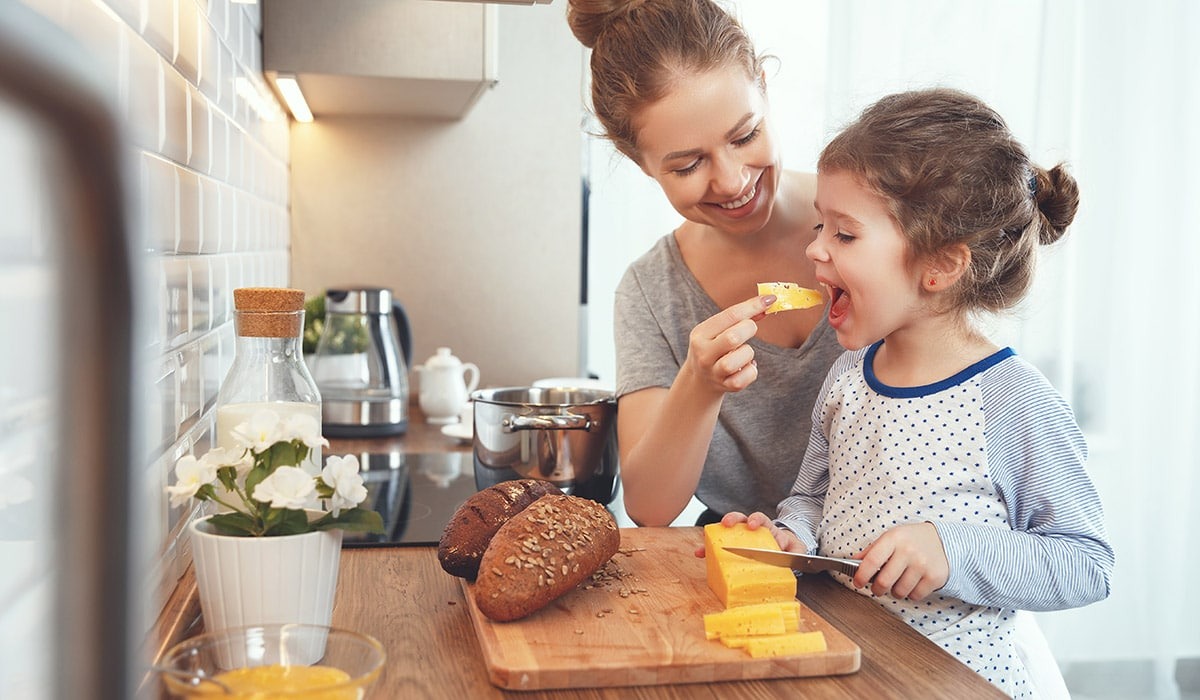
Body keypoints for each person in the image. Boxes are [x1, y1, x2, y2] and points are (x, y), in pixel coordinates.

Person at [724, 88, 1114, 698]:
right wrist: (791, 536)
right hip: (856, 672)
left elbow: (1085, 565)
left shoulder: (1014, 402)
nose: (814, 248)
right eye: (820, 225)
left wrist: (955, 552)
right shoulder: (849, 375)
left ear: (940, 267)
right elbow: (811, 497)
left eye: (845, 235)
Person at [565, 0, 845, 527]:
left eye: (744, 136)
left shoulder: (878, 226)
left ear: (763, 85)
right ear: (640, 162)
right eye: (689, 165)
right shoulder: (651, 292)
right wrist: (700, 382)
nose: (733, 180)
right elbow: (649, 507)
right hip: (747, 565)